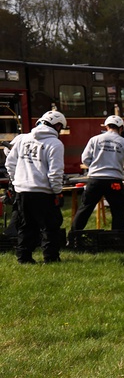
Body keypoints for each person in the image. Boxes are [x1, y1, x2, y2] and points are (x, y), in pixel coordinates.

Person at [71, 115, 124, 233]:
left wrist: (96, 167)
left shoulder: (94, 139)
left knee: (85, 208)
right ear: (121, 128)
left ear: (107, 126)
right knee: (118, 210)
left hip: (95, 180)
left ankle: (74, 236)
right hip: (114, 181)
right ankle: (118, 238)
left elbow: (85, 159)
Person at [5, 110, 66, 264]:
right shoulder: (55, 144)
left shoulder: (22, 139)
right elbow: (55, 172)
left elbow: (9, 163)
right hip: (44, 192)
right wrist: (57, 192)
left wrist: (16, 181)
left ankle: (24, 258)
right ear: (58, 125)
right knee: (50, 226)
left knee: (26, 226)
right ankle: (51, 258)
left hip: (22, 191)